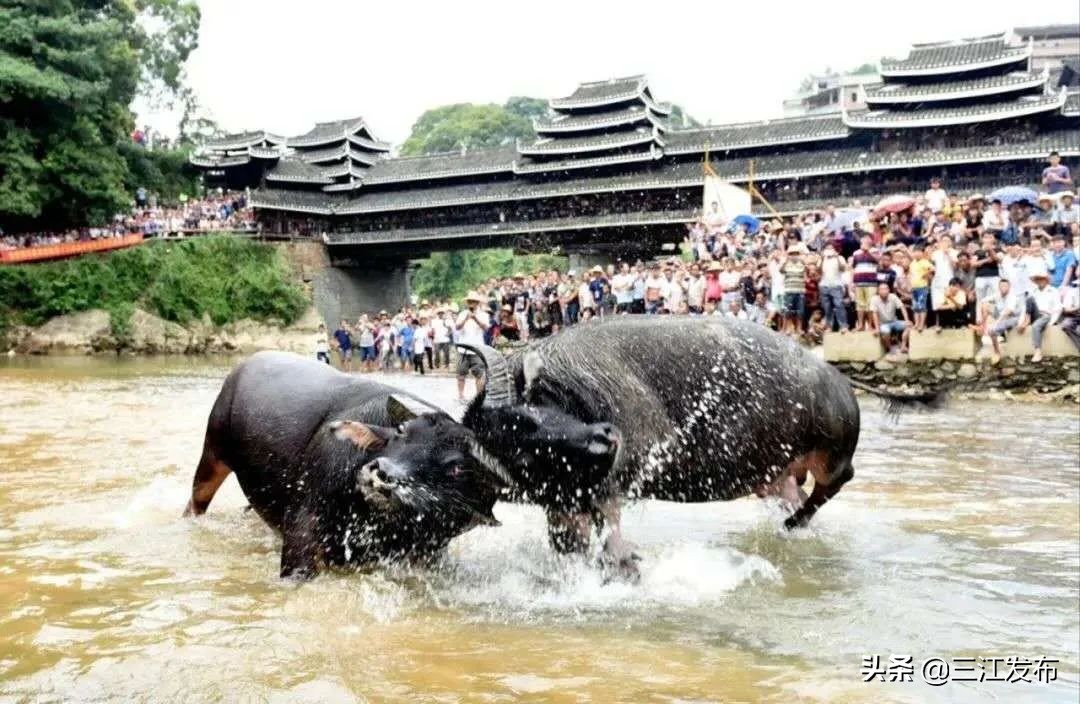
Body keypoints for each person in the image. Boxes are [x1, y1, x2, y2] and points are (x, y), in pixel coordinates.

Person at [978, 278, 1022, 364]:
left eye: (1005, 286)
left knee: (992, 330)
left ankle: (997, 352)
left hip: (1012, 318)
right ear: (999, 287)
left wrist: (996, 323)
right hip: (1001, 316)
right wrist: (980, 318)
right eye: (1001, 286)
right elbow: (982, 301)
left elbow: (1007, 312)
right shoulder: (997, 295)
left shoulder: (1012, 296)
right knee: (985, 305)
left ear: (1009, 287)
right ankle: (983, 327)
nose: (1003, 288)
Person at [1019, 272, 1060, 363]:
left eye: (1042, 279)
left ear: (1046, 280)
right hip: (1034, 314)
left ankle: (1038, 351)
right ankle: (1026, 321)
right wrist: (1021, 321)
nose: (1040, 281)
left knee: (1036, 326)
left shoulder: (1053, 291)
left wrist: (1051, 322)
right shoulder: (1033, 291)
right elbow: (1026, 308)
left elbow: (1058, 308)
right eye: (1038, 279)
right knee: (1029, 299)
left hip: (1046, 315)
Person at [455, 291, 489, 402]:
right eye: (470, 302)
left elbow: (486, 328)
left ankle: (478, 398)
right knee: (461, 374)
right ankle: (461, 396)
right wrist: (466, 319)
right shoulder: (462, 314)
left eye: (474, 302)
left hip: (477, 349)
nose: (471, 304)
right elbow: (457, 327)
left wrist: (475, 318)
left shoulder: (484, 314)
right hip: (463, 348)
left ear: (477, 303)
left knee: (479, 374)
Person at [870, 282, 910, 354]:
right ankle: (890, 348)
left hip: (894, 321)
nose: (884, 291)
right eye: (882, 289)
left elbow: (902, 307)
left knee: (909, 325)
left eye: (886, 289)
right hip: (883, 324)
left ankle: (903, 346)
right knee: (886, 332)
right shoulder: (874, 299)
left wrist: (907, 320)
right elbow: (874, 314)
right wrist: (877, 328)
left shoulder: (893, 296)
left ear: (889, 290)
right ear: (878, 291)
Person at [850, 235, 879, 331]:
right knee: (859, 305)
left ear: (871, 241)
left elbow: (877, 261)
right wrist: (852, 282)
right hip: (858, 282)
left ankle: (870, 325)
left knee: (870, 304)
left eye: (868, 239)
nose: (865, 241)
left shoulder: (875, 251)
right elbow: (854, 268)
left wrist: (867, 251)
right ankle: (860, 325)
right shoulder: (856, 253)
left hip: (871, 282)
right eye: (864, 239)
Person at [818, 244, 848, 332]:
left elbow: (842, 269)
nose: (829, 250)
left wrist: (837, 257)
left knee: (839, 305)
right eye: (827, 248)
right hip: (824, 285)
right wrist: (822, 258)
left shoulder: (840, 258)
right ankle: (829, 326)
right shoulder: (822, 259)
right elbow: (818, 270)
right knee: (827, 307)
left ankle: (843, 326)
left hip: (836, 285)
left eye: (831, 248)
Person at [908, 246, 934, 332]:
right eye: (915, 252)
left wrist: (926, 274)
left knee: (922, 307)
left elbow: (933, 269)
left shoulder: (925, 262)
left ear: (922, 253)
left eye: (919, 252)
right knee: (915, 307)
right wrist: (910, 285)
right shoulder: (912, 263)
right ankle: (916, 323)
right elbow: (911, 275)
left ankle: (922, 324)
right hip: (914, 287)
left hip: (922, 287)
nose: (917, 253)